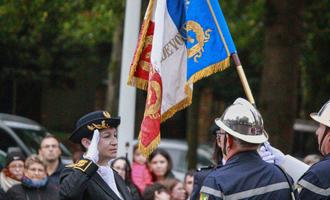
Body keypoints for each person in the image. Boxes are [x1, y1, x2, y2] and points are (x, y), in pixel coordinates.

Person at [199, 98, 296, 199]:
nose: (219, 141)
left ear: (229, 140)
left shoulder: (216, 182)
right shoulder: (282, 176)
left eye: (221, 135)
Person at [260, 99, 330, 199]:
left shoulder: (318, 176)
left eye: (320, 126)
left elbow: (317, 178)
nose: (317, 132)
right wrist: (285, 163)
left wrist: (276, 175)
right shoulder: (319, 175)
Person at [59, 111, 132, 200]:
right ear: (87, 143)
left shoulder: (116, 175)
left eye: (115, 135)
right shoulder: (74, 173)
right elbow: (68, 195)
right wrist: (89, 161)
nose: (115, 142)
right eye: (107, 136)